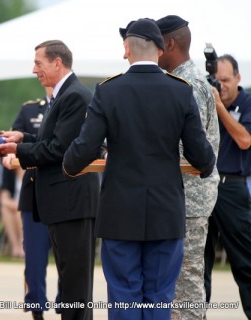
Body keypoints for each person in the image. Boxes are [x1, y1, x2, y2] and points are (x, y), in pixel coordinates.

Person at [62, 18, 216, 320]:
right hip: (166, 211)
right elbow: (202, 156)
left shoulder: (108, 91)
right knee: (160, 296)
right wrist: (205, 165)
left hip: (120, 212)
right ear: (160, 50)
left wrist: (69, 166)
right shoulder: (180, 90)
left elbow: (83, 148)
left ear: (126, 50)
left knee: (123, 295)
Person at [0, 40, 100, 320]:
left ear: (58, 63)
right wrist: (23, 137)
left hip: (73, 202)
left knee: (75, 285)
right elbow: (51, 141)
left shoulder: (74, 96)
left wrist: (16, 150)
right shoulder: (63, 95)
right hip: (62, 203)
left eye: (38, 64)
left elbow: (58, 149)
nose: (34, 70)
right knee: (70, 281)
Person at [155, 15, 220, 320]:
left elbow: (185, 148)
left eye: (156, 44)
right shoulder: (181, 80)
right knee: (180, 280)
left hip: (189, 197)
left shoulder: (188, 84)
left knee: (187, 281)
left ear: (169, 44)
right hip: (184, 196)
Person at [2, 87, 56, 320]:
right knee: (33, 258)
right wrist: (7, 154)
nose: (37, 71)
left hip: (65, 192)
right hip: (33, 190)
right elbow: (13, 139)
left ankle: (68, 307)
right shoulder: (30, 109)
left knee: (70, 262)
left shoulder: (76, 103)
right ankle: (36, 308)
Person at [204, 54, 251, 320]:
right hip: (205, 184)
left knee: (245, 261)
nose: (221, 85)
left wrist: (220, 107)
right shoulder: (205, 103)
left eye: (226, 80)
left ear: (238, 78)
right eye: (217, 81)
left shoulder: (247, 103)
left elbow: (245, 140)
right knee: (199, 263)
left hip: (232, 187)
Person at [0, 165, 25, 259]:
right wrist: (13, 204)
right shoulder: (9, 168)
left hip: (28, 205)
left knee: (21, 209)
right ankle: (15, 246)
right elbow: (3, 198)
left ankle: (23, 245)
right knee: (4, 209)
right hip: (14, 204)